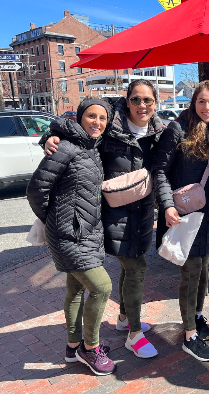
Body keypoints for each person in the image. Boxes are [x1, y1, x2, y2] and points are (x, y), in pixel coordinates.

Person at [44, 79, 165, 359]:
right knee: (136, 268)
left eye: (148, 100)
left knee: (129, 266)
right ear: (127, 100)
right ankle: (134, 335)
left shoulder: (159, 130)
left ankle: (124, 318)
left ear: (155, 103)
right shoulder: (112, 125)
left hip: (143, 214)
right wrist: (49, 138)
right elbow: (75, 134)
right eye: (136, 99)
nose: (142, 105)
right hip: (108, 215)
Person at [27, 98, 116, 376]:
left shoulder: (92, 147)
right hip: (68, 234)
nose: (97, 123)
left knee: (75, 289)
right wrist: (52, 219)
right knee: (102, 287)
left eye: (102, 118)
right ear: (79, 117)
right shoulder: (64, 147)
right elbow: (35, 190)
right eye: (91, 116)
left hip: (86, 231)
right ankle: (90, 348)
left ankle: (73, 346)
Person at [154, 80, 209, 362]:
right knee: (191, 272)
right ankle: (189, 335)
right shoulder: (178, 129)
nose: (207, 107)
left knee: (206, 270)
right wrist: (167, 205)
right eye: (202, 101)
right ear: (193, 102)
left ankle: (196, 315)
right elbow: (160, 170)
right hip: (183, 213)